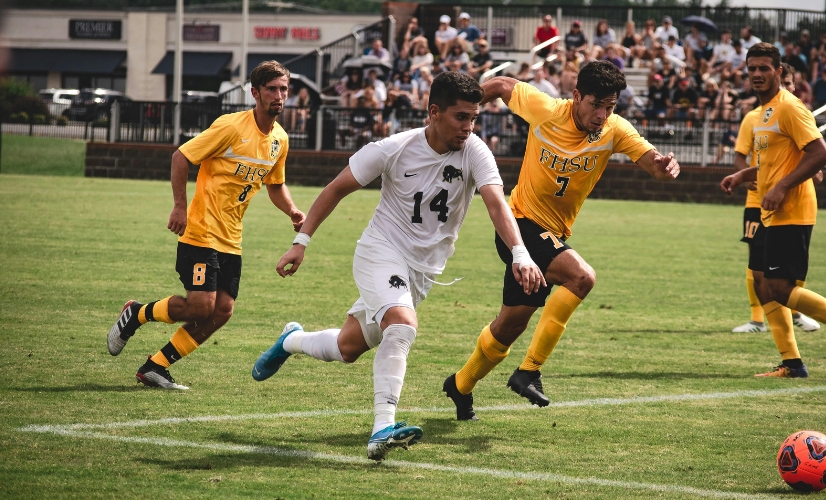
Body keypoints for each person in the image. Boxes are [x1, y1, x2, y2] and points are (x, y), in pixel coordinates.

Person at [251, 71, 545, 460]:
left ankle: (291, 339)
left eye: (474, 118)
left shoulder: (475, 151)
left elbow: (496, 204)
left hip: (422, 272)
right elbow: (336, 188)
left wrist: (520, 253)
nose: (469, 127)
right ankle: (382, 429)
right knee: (403, 325)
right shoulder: (393, 148)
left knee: (348, 347)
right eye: (461, 117)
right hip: (381, 251)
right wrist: (300, 242)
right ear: (434, 112)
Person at [442, 61, 680, 420]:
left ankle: (460, 385)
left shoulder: (614, 130)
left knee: (509, 327)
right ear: (576, 96)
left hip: (551, 234)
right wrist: (467, 111)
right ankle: (529, 371)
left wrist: (664, 168)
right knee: (581, 277)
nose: (602, 115)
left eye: (610, 107)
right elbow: (504, 84)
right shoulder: (548, 110)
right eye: (595, 104)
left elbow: (651, 163)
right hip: (519, 225)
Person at [106, 61, 304, 389]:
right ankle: (137, 314)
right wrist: (180, 207)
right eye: (271, 89)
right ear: (255, 93)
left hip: (231, 238)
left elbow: (274, 184)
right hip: (201, 230)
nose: (279, 95)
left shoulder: (280, 140)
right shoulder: (231, 126)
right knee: (201, 306)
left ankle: (155, 366)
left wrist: (293, 211)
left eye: (283, 89)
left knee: (223, 310)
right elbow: (181, 156)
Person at [720, 43, 826, 378]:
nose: (757, 75)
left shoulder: (790, 107)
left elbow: (821, 155)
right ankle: (791, 362)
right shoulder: (763, 113)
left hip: (791, 210)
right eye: (752, 69)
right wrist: (742, 175)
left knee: (779, 287)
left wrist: (780, 187)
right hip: (769, 212)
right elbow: (774, 164)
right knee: (763, 283)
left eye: (764, 68)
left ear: (780, 71)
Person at [731, 63, 820, 334]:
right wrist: (745, 178)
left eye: (792, 84)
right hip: (757, 202)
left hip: (789, 202)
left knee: (784, 272)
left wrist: (813, 173)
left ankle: (794, 314)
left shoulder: (795, 112)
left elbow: (814, 154)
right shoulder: (754, 117)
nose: (789, 89)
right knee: (758, 267)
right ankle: (757, 319)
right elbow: (741, 155)